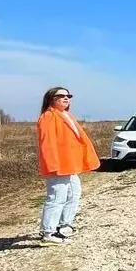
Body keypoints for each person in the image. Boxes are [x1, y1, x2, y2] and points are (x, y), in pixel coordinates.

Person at [36, 87, 100, 245]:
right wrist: (53, 165)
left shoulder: (66, 115)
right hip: (59, 166)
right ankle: (48, 232)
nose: (66, 98)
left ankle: (63, 225)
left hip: (70, 165)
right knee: (57, 197)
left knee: (74, 193)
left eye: (68, 96)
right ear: (51, 99)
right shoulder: (49, 116)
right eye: (61, 96)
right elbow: (47, 143)